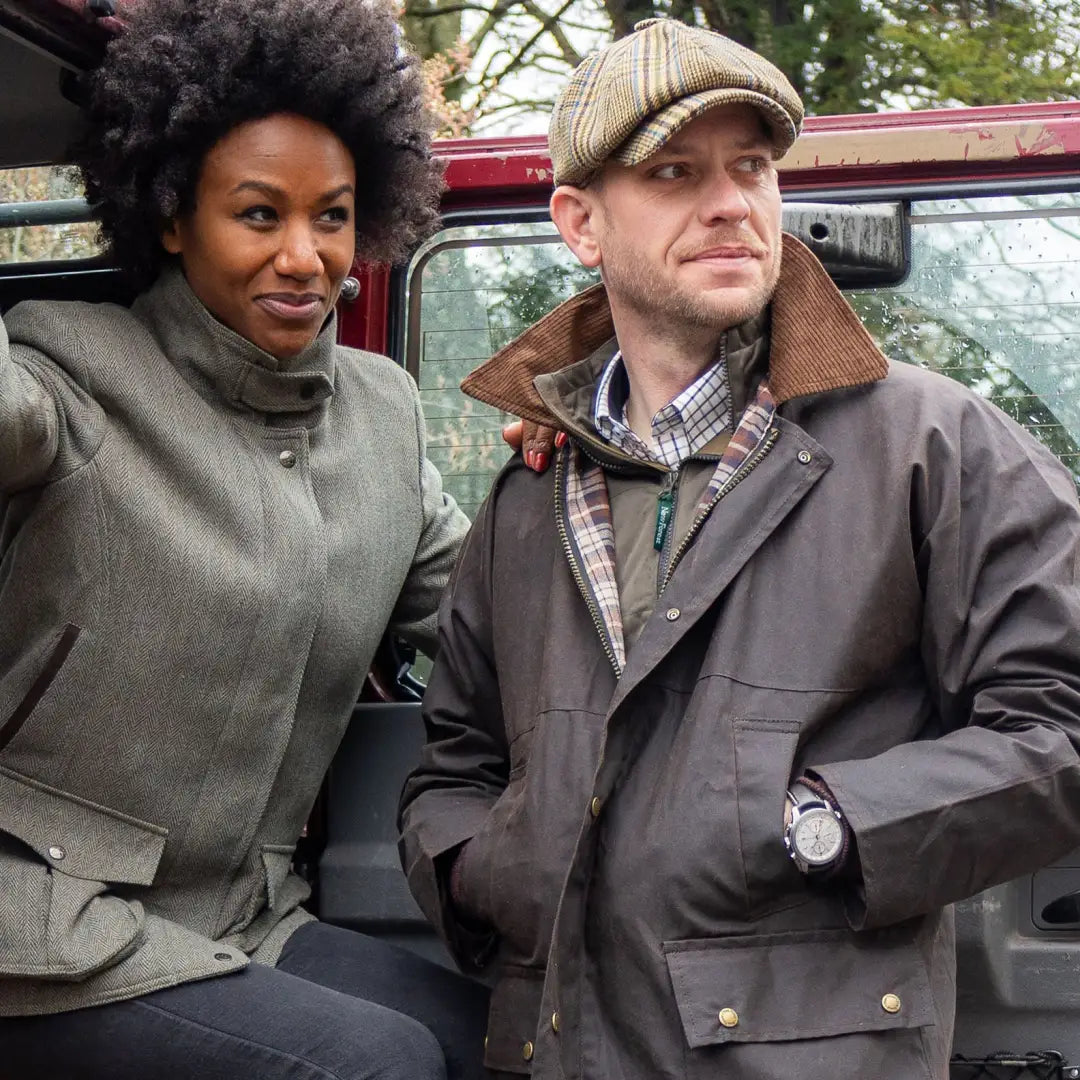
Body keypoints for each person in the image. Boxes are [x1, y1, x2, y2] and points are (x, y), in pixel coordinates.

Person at [398, 17, 1080, 1080]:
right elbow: (454, 766)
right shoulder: (529, 495)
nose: (730, 203)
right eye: (672, 172)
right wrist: (488, 870)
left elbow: (1061, 725)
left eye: (752, 167)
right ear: (580, 223)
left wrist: (824, 824)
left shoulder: (930, 444)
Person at [0, 1, 518, 1076]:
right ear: (174, 215)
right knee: (378, 1065)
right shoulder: (67, 367)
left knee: (512, 1044)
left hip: (245, 919)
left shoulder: (380, 415)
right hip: (44, 925)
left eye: (330, 217)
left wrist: (589, 473)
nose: (302, 256)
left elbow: (498, 613)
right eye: (257, 214)